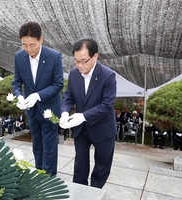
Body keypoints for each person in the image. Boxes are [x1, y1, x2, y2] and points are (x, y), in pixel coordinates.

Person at [60, 38, 117, 189]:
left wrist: (83, 116)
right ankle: (80, 192)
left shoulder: (108, 75)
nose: (79, 65)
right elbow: (68, 96)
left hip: (103, 128)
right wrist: (64, 112)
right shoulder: (73, 74)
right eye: (76, 61)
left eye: (84, 61)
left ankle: (95, 192)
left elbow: (106, 105)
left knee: (102, 165)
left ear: (95, 57)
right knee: (80, 164)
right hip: (81, 130)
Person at [12, 21, 63, 175]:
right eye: (24, 45)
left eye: (32, 45)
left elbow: (58, 84)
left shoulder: (54, 56)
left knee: (50, 146)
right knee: (37, 145)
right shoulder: (19, 57)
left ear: (41, 40)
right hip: (31, 110)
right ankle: (39, 175)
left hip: (50, 110)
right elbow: (16, 83)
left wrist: (37, 96)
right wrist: (19, 97)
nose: (28, 49)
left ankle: (49, 178)